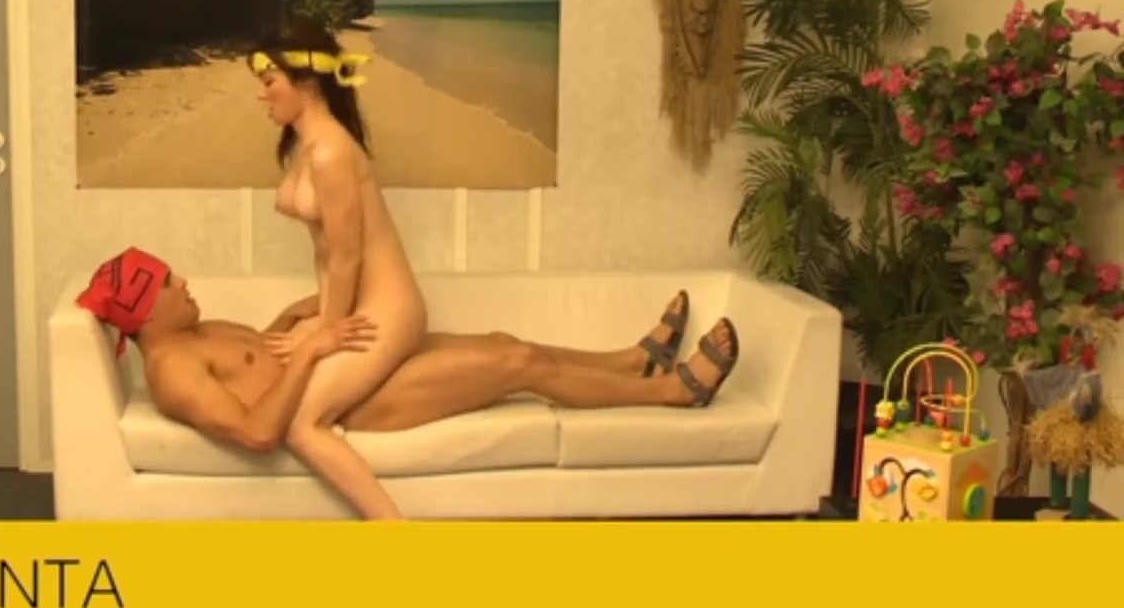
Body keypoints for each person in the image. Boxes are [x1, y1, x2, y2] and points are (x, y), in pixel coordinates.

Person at [75, 249, 742, 519]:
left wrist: (300, 318)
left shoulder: (201, 330)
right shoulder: (172, 373)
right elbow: (256, 431)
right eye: (168, 283)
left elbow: (260, 358)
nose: (184, 282)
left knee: (504, 342)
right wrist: (315, 353)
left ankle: (628, 361)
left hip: (343, 368)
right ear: (143, 309)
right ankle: (672, 392)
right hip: (359, 402)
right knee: (516, 365)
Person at [240, 21, 429, 519]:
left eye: (269, 82)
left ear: (306, 81)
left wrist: (326, 330)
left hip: (387, 309)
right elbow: (326, 254)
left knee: (300, 424)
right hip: (352, 301)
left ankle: (393, 529)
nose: (261, 95)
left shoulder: (330, 152)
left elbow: (348, 256)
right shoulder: (307, 146)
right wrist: (320, 314)